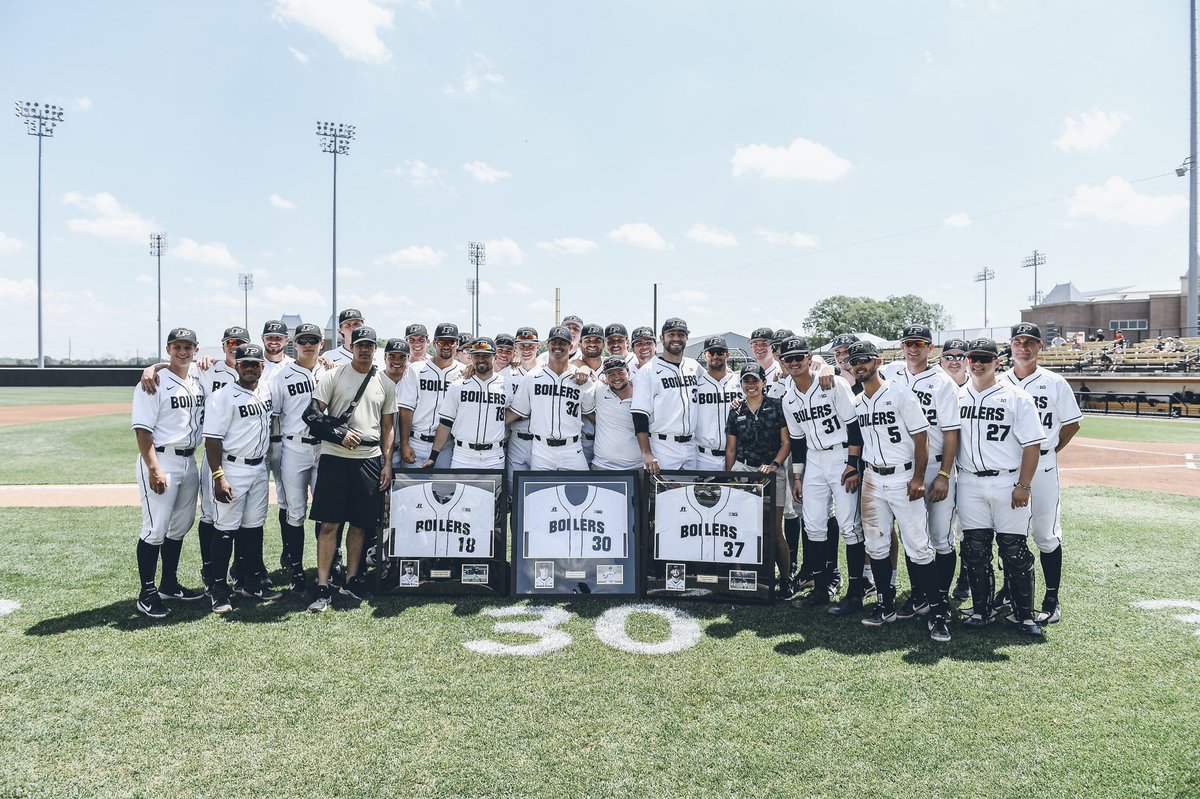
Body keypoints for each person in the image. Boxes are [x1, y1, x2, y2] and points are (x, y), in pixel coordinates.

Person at [843, 341, 947, 641]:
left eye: (864, 359)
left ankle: (938, 611)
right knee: (876, 544)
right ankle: (885, 605)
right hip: (872, 477)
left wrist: (918, 477)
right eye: (854, 361)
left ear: (877, 362)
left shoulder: (900, 394)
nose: (859, 365)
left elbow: (921, 438)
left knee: (919, 546)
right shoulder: (857, 402)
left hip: (903, 476)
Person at [955, 337, 1046, 637]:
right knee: (974, 548)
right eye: (973, 358)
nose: (978, 364)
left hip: (1008, 480)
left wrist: (1024, 484)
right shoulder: (957, 396)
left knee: (1014, 549)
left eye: (985, 358)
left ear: (997, 362)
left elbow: (1033, 445)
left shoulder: (1017, 397)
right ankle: (982, 610)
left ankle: (1024, 615)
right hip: (969, 480)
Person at [307, 326, 396, 612]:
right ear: (352, 347)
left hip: (369, 458)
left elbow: (388, 427)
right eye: (360, 345)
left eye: (370, 345)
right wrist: (339, 434)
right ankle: (323, 583)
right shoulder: (333, 376)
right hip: (335, 456)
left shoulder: (384, 382)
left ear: (374, 349)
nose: (365, 350)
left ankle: (352, 578)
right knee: (329, 524)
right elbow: (312, 415)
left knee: (360, 523)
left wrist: (387, 462)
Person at [778, 337, 866, 611]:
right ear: (783, 363)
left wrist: (853, 464)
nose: (794, 362)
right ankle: (819, 589)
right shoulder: (788, 398)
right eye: (789, 359)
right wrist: (797, 476)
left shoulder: (832, 383)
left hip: (841, 454)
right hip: (814, 458)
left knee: (849, 525)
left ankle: (855, 592)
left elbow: (854, 425)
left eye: (799, 357)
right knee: (814, 524)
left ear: (809, 358)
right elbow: (798, 441)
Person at [880, 324, 961, 620]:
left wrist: (944, 475)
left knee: (940, 538)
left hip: (935, 466)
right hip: (905, 467)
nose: (913, 348)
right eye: (908, 343)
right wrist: (822, 366)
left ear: (930, 348)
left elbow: (951, 433)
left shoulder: (942, 382)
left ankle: (940, 597)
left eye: (920, 343)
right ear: (901, 347)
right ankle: (918, 596)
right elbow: (854, 374)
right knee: (912, 535)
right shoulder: (889, 373)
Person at [1002, 323, 1081, 625]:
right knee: (1009, 533)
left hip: (1043, 466)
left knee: (1045, 534)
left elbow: (1072, 423)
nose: (1023, 348)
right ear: (1010, 346)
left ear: (1040, 347)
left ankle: (1051, 597)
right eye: (1018, 342)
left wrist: (1049, 451)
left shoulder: (1055, 382)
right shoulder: (999, 381)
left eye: (1030, 342)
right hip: (1007, 466)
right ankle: (1009, 591)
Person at [131, 327, 205, 619]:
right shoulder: (154, 382)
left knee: (180, 526)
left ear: (196, 350)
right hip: (162, 459)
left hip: (189, 461)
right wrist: (153, 469)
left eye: (188, 347)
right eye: (177, 347)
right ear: (168, 349)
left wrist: (155, 365)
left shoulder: (197, 377)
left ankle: (169, 584)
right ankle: (147, 593)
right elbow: (142, 430)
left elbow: (208, 365)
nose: (183, 352)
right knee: (155, 528)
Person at [202, 343, 281, 614]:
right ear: (236, 366)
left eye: (254, 364)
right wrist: (218, 476)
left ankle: (250, 583)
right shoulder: (222, 397)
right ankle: (218, 590)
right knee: (225, 530)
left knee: (253, 528)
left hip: (259, 468)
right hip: (232, 468)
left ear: (262, 367)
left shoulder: (266, 391)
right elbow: (212, 440)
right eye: (244, 363)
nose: (249, 368)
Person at [724, 363, 792, 598]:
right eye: (746, 381)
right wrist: (730, 476)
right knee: (740, 528)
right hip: (744, 469)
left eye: (755, 380)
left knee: (774, 530)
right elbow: (731, 448)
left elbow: (786, 443)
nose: (751, 385)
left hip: (772, 471)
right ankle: (741, 579)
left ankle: (786, 579)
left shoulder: (776, 406)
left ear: (764, 382)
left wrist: (774, 464)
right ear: (741, 384)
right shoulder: (736, 410)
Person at [269, 322, 327, 593]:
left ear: (321, 344)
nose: (308, 345)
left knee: (325, 511)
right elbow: (274, 416)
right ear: (295, 344)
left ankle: (327, 567)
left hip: (325, 448)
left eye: (313, 340)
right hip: (294, 447)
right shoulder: (282, 376)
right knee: (295, 512)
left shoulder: (330, 373)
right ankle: (296, 570)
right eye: (303, 340)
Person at [506, 326, 594, 470]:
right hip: (541, 449)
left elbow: (590, 413)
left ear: (570, 346)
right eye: (554, 342)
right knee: (537, 486)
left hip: (572, 449)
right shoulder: (532, 377)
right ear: (547, 345)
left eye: (563, 342)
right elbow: (516, 412)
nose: (557, 346)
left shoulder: (582, 379)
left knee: (580, 485)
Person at [422, 337, 509, 470]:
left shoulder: (507, 384)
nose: (481, 359)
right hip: (463, 454)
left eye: (486, 355)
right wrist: (433, 456)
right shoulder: (458, 385)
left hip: (494, 455)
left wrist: (496, 420)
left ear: (494, 356)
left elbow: (517, 412)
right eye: (477, 355)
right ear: (471, 357)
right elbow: (445, 423)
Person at [632, 317, 701, 472]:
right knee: (664, 487)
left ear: (687, 338)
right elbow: (639, 415)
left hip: (691, 445)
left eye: (681, 334)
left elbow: (713, 378)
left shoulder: (694, 366)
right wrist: (646, 453)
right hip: (663, 445)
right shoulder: (648, 371)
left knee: (690, 487)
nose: (676, 338)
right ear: (662, 339)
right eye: (671, 334)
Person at [397, 322, 465, 470]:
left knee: (444, 486)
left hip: (447, 446)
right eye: (441, 342)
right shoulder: (416, 369)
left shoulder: (464, 372)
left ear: (457, 344)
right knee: (411, 485)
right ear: (434, 343)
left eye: (451, 342)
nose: (446, 346)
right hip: (417, 442)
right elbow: (406, 409)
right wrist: (405, 443)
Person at [938, 337, 973, 602]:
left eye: (960, 356)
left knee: (968, 527)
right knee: (941, 527)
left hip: (970, 467)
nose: (954, 361)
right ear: (940, 359)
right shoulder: (934, 385)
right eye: (948, 356)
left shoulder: (979, 386)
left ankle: (965, 576)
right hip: (943, 465)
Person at [692, 336, 742, 471]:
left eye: (720, 352)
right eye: (711, 352)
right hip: (703, 457)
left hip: (737, 456)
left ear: (727, 354)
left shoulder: (740, 382)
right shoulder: (695, 383)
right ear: (705, 355)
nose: (715, 356)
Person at [587, 357, 643, 471]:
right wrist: (601, 420)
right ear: (605, 377)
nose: (616, 377)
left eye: (620, 373)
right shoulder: (599, 389)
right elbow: (586, 410)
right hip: (602, 466)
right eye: (611, 374)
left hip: (637, 466)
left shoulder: (641, 392)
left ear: (629, 373)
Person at [505, 327, 540, 485]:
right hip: (516, 437)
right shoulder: (507, 374)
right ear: (515, 348)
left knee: (538, 488)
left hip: (540, 441)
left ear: (538, 346)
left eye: (530, 346)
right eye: (522, 346)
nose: (526, 350)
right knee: (514, 487)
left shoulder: (546, 371)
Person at [574, 323, 606, 462]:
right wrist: (581, 366)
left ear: (604, 344)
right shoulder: (571, 367)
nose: (592, 344)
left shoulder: (613, 367)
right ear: (579, 344)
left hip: (609, 439)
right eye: (587, 340)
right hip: (582, 440)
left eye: (597, 340)